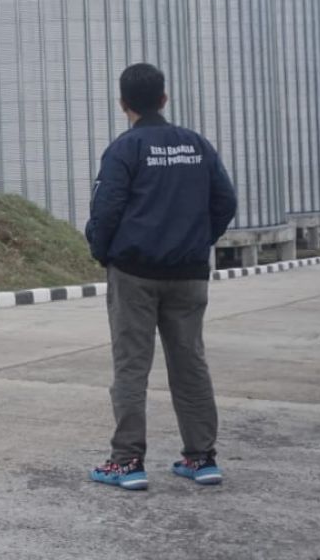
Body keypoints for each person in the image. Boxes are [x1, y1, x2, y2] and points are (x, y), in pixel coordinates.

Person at [84, 63, 237, 491]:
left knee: (132, 365)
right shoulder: (197, 146)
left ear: (123, 103)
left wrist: (103, 253)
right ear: (164, 99)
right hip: (189, 275)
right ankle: (201, 458)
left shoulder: (125, 149)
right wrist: (199, 240)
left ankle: (127, 462)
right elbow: (225, 201)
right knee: (190, 362)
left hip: (134, 273)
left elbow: (106, 210)